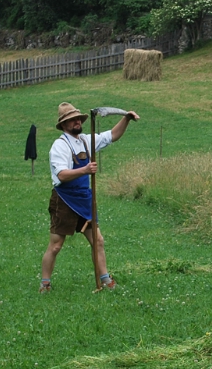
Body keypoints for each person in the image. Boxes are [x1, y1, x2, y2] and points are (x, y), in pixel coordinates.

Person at [40, 102, 140, 293]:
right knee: (56, 245)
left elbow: (112, 135)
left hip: (84, 200)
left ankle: (105, 280)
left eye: (78, 119)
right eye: (72, 120)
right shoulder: (60, 146)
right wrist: (85, 170)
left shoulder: (87, 140)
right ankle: (45, 284)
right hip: (64, 200)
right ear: (64, 124)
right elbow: (62, 175)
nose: (77, 122)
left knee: (98, 240)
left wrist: (126, 119)